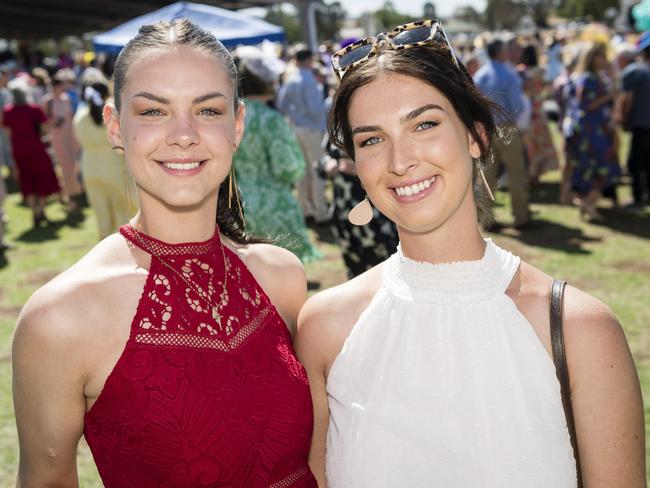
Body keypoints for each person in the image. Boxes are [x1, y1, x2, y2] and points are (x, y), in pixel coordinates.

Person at [295, 20, 646, 488]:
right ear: (356, 164)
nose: (400, 161)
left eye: (424, 124)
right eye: (372, 139)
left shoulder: (581, 331)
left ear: (477, 135)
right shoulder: (324, 327)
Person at [13, 19, 317, 487]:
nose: (183, 134)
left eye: (208, 111)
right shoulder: (60, 318)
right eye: (154, 112)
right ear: (115, 127)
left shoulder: (282, 276)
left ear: (236, 125)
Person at [233, 54, 320, 262]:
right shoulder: (270, 119)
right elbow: (288, 166)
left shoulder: (231, 117)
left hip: (240, 203)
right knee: (281, 268)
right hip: (274, 203)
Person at [474, 37, 534, 229]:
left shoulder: (480, 75)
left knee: (488, 176)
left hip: (486, 128)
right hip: (507, 128)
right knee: (516, 174)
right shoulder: (509, 75)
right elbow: (517, 106)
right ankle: (521, 217)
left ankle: (487, 219)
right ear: (500, 53)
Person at [565, 42, 621, 222]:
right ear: (592, 58)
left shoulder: (591, 76)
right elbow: (585, 105)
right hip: (589, 131)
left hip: (592, 129)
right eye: (601, 56)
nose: (605, 60)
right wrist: (609, 96)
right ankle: (588, 202)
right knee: (603, 166)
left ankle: (586, 203)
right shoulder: (588, 78)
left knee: (591, 166)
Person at [73, 79, 134, 239]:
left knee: (101, 212)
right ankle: (124, 248)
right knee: (124, 211)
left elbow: (77, 142)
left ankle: (104, 246)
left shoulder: (79, 117)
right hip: (114, 165)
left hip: (90, 167)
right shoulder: (113, 113)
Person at [277, 48, 330, 224]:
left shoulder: (290, 78)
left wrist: (295, 115)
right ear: (308, 59)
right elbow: (315, 110)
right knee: (317, 171)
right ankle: (321, 212)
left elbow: (281, 104)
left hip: (296, 128)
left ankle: (305, 210)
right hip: (312, 129)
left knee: (302, 172)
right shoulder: (308, 79)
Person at [2, 84, 60, 226]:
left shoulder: (8, 111)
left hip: (19, 151)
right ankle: (41, 210)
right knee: (41, 179)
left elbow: (8, 134)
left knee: (26, 181)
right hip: (36, 148)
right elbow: (44, 128)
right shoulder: (33, 109)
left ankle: (35, 212)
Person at [617, 31, 650, 208]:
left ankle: (637, 198)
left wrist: (623, 119)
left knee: (635, 163)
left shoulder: (635, 71)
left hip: (641, 125)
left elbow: (627, 100)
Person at [43, 70, 83, 214]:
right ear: (54, 87)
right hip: (57, 137)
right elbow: (44, 121)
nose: (62, 89)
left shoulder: (66, 98)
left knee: (73, 165)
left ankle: (69, 192)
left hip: (69, 135)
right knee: (64, 166)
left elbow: (72, 116)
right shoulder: (48, 100)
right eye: (59, 86)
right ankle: (71, 197)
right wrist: (54, 122)